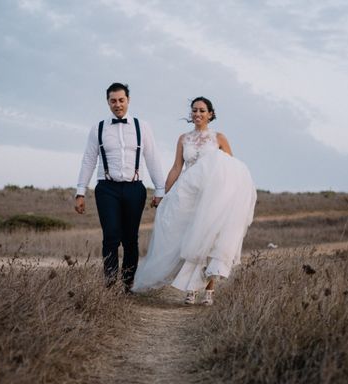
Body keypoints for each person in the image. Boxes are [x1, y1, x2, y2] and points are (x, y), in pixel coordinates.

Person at [132, 96, 256, 305]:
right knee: (188, 240)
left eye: (201, 110)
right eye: (194, 110)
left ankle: (209, 290)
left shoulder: (219, 138)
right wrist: (162, 192)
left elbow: (231, 169)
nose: (197, 114)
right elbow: (176, 168)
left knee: (209, 240)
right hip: (187, 195)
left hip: (213, 196)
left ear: (210, 114)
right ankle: (191, 288)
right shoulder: (183, 139)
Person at [75, 82, 165, 290]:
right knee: (111, 236)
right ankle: (109, 284)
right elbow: (89, 159)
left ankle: (127, 283)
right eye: (113, 101)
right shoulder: (98, 128)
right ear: (107, 102)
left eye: (121, 100)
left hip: (135, 188)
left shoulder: (142, 126)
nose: (118, 104)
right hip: (107, 188)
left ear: (128, 100)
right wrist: (80, 191)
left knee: (130, 238)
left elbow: (152, 158)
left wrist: (160, 190)